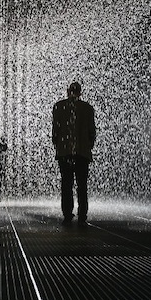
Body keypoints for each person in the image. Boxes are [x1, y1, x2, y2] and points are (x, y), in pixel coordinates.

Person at [52, 81, 96, 227]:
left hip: (65, 153)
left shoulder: (59, 106)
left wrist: (59, 146)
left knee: (66, 184)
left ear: (67, 91)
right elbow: (91, 132)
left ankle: (67, 213)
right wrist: (88, 146)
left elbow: (55, 131)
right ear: (80, 92)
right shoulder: (87, 108)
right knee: (82, 185)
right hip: (82, 153)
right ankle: (82, 214)